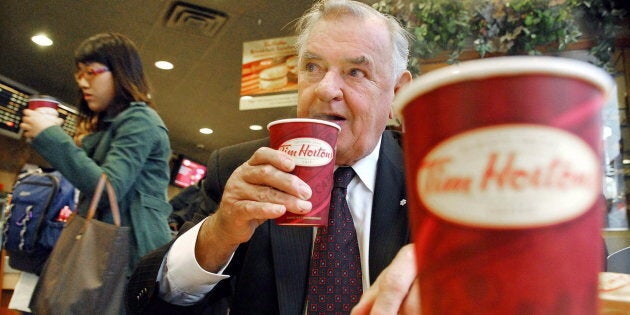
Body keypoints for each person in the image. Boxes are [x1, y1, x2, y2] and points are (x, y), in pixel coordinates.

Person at [126, 0, 420, 314]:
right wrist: (219, 234)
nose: (325, 88)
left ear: (397, 94)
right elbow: (153, 301)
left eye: (355, 72)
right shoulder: (241, 170)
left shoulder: (427, 179)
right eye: (313, 67)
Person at [19, 32, 173, 313]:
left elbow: (108, 189)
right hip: (107, 250)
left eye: (91, 72)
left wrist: (52, 136)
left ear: (121, 72)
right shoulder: (111, 125)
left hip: (130, 255)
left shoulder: (139, 119)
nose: (82, 81)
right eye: (79, 73)